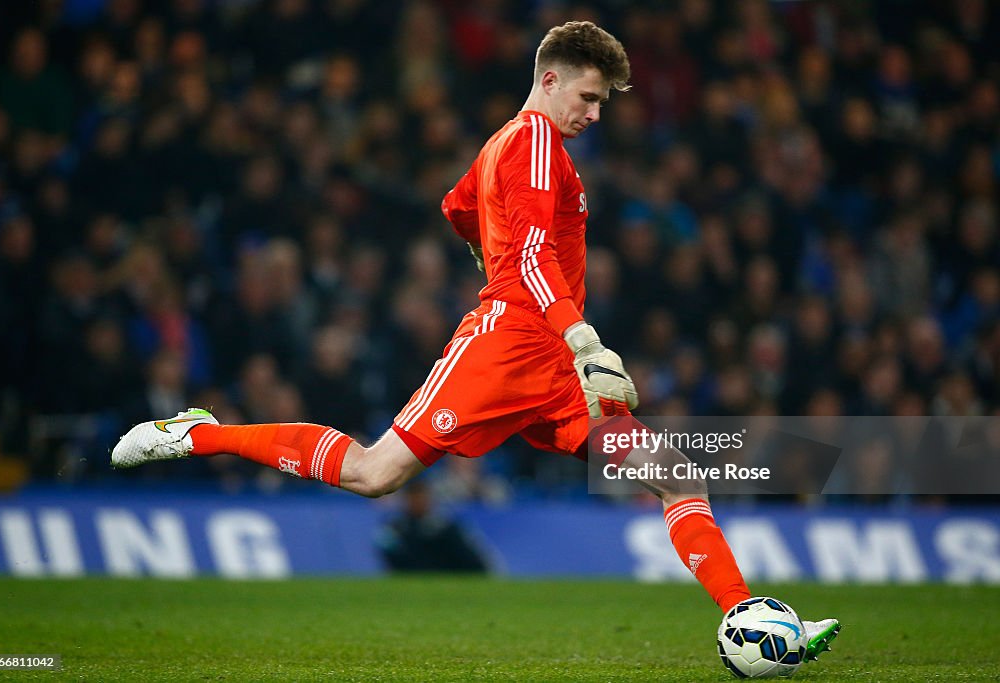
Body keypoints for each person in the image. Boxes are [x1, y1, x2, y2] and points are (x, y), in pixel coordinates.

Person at [112, 21, 839, 663]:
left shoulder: (514, 145)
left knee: (675, 469)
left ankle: (748, 617)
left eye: (601, 104)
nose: (593, 114)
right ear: (548, 80)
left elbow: (457, 206)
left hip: (550, 366)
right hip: (507, 348)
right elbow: (524, 255)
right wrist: (582, 336)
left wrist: (500, 266)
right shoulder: (530, 143)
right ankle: (202, 434)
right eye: (586, 97)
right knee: (374, 474)